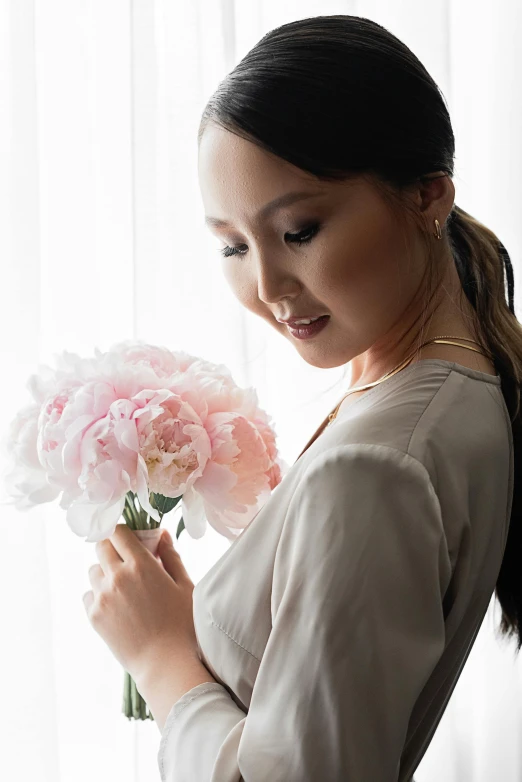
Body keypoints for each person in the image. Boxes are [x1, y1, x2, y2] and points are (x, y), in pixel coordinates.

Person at [157, 15, 521, 781]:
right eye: (232, 244)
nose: (264, 289)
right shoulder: (436, 383)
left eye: (300, 229)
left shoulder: (378, 464)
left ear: (428, 195)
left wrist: (160, 660)